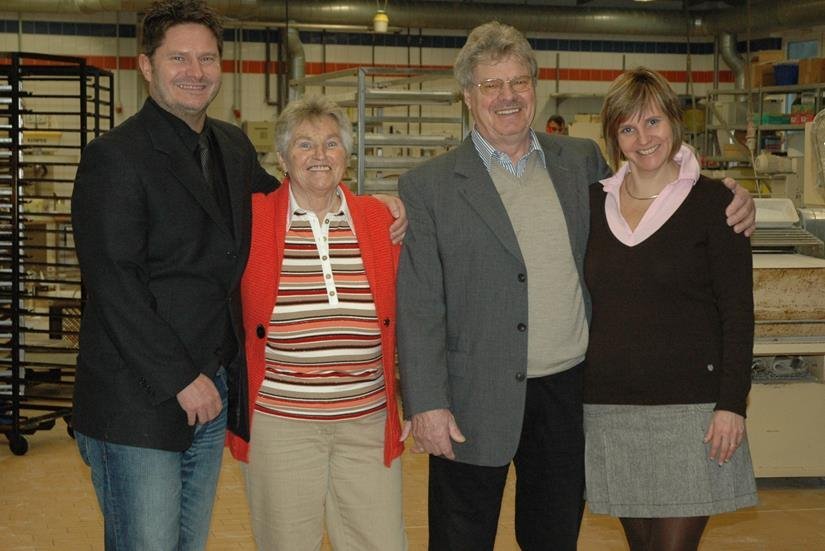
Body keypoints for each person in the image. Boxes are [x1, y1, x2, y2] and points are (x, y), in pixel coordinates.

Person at [395, 21, 755, 551]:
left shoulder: (579, 161)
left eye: (518, 81)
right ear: (469, 95)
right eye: (491, 85)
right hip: (472, 397)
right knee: (459, 539)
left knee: (554, 537)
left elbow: (649, 183)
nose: (507, 96)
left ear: (535, 87)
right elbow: (420, 304)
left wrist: (728, 193)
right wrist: (425, 402)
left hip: (569, 394)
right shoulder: (427, 186)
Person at [71, 2, 405, 549]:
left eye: (206, 58)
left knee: (186, 541)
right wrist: (181, 378)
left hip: (213, 391)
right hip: (138, 402)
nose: (195, 71)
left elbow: (293, 196)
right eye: (178, 57)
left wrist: (378, 206)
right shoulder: (115, 157)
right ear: (146, 66)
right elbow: (114, 287)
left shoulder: (228, 146)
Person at [583, 67, 758, 551]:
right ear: (614, 138)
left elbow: (738, 314)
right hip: (610, 411)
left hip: (693, 414)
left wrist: (730, 404)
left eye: (654, 122)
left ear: (675, 124)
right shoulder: (592, 205)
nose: (644, 139)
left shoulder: (715, 204)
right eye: (628, 128)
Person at [225, 95, 407, 551]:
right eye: (305, 145)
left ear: (348, 155)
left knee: (382, 543)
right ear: (283, 158)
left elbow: (415, 316)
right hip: (280, 425)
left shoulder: (380, 219)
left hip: (366, 421)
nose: (320, 156)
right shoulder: (252, 219)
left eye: (331, 144)